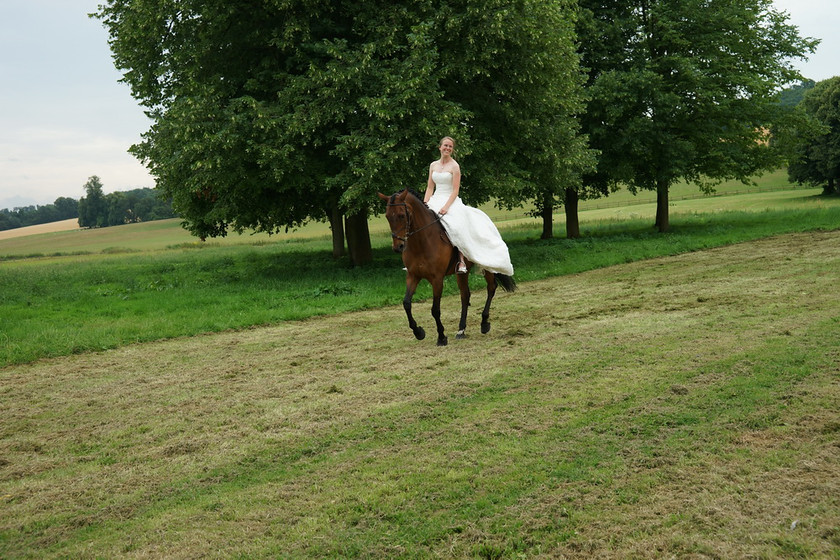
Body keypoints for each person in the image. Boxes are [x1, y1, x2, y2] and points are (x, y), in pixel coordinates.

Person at [424, 136, 514, 276]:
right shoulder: (433, 165)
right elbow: (430, 188)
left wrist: (446, 207)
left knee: (457, 226)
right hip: (435, 199)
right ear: (440, 147)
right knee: (422, 224)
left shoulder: (455, 166)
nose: (447, 148)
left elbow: (455, 190)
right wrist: (425, 203)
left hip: (450, 200)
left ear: (452, 150)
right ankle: (421, 259)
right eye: (445, 145)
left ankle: (461, 261)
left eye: (450, 147)